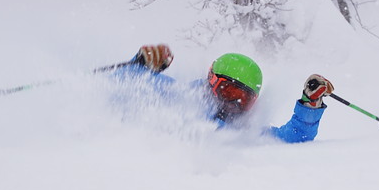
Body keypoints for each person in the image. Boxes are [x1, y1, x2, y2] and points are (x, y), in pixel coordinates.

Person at [114, 44, 334, 143]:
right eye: (226, 90)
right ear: (210, 81)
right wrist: (140, 66)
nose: (232, 102)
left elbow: (295, 138)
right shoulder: (178, 96)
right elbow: (120, 84)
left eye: (244, 99)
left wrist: (310, 103)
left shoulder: (243, 132)